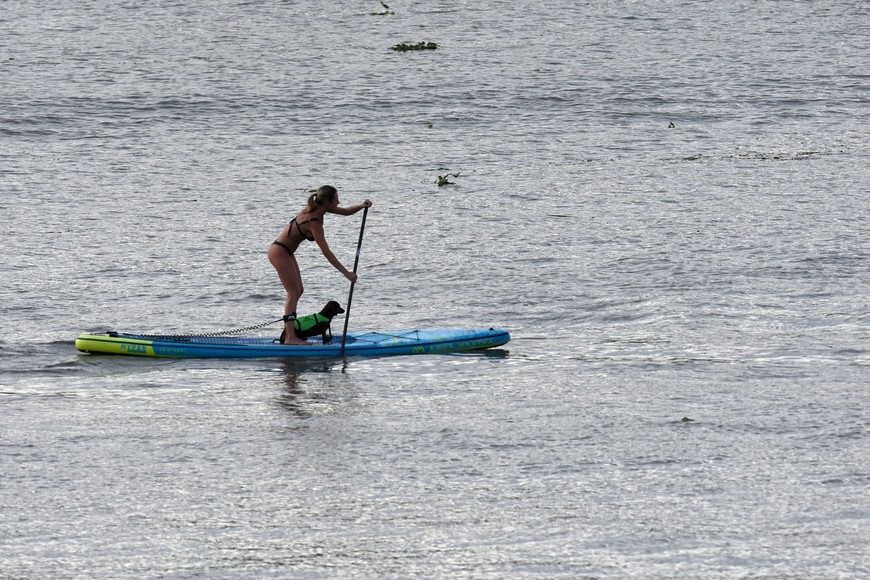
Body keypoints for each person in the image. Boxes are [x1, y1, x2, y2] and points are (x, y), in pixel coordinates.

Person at [268, 185, 372, 345]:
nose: (339, 201)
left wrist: (360, 206)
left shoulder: (317, 208)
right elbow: (326, 252)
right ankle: (290, 338)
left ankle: (291, 333)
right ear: (328, 202)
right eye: (336, 199)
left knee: (298, 291)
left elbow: (344, 211)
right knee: (293, 293)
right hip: (279, 252)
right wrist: (346, 273)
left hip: (285, 251)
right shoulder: (314, 221)